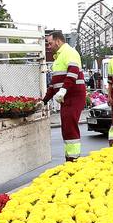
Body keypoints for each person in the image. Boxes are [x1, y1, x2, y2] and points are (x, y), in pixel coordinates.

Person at [43, 30, 87, 161]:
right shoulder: (59, 57)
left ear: (58, 41)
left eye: (50, 43)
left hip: (73, 96)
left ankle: (73, 159)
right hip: (66, 97)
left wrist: (63, 90)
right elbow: (54, 84)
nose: (49, 47)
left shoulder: (69, 52)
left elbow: (73, 73)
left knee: (70, 126)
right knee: (67, 127)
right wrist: (44, 100)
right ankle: (70, 156)